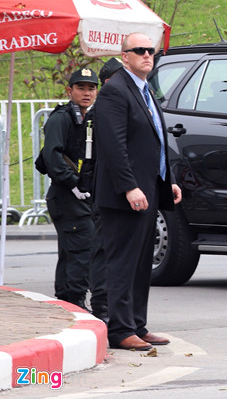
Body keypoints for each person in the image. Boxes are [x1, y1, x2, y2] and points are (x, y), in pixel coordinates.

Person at [93, 33, 182, 351]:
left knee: (142, 262)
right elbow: (114, 146)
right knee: (123, 263)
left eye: (151, 51)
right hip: (124, 195)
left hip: (149, 190)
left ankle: (137, 324)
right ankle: (119, 329)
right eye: (140, 50)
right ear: (125, 56)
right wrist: (129, 186)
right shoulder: (115, 92)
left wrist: (166, 180)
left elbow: (154, 141)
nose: (147, 55)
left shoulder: (145, 91)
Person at [41, 67, 99, 310]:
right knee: (81, 249)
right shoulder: (61, 118)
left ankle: (66, 304)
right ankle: (75, 303)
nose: (86, 93)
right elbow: (51, 157)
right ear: (70, 90)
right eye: (80, 88)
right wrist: (73, 183)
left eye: (91, 88)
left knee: (71, 250)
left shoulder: (88, 118)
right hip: (67, 194)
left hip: (79, 195)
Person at [85, 57, 124, 324]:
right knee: (104, 248)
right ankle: (101, 304)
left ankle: (114, 305)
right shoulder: (104, 111)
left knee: (117, 249)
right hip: (106, 190)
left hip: (116, 190)